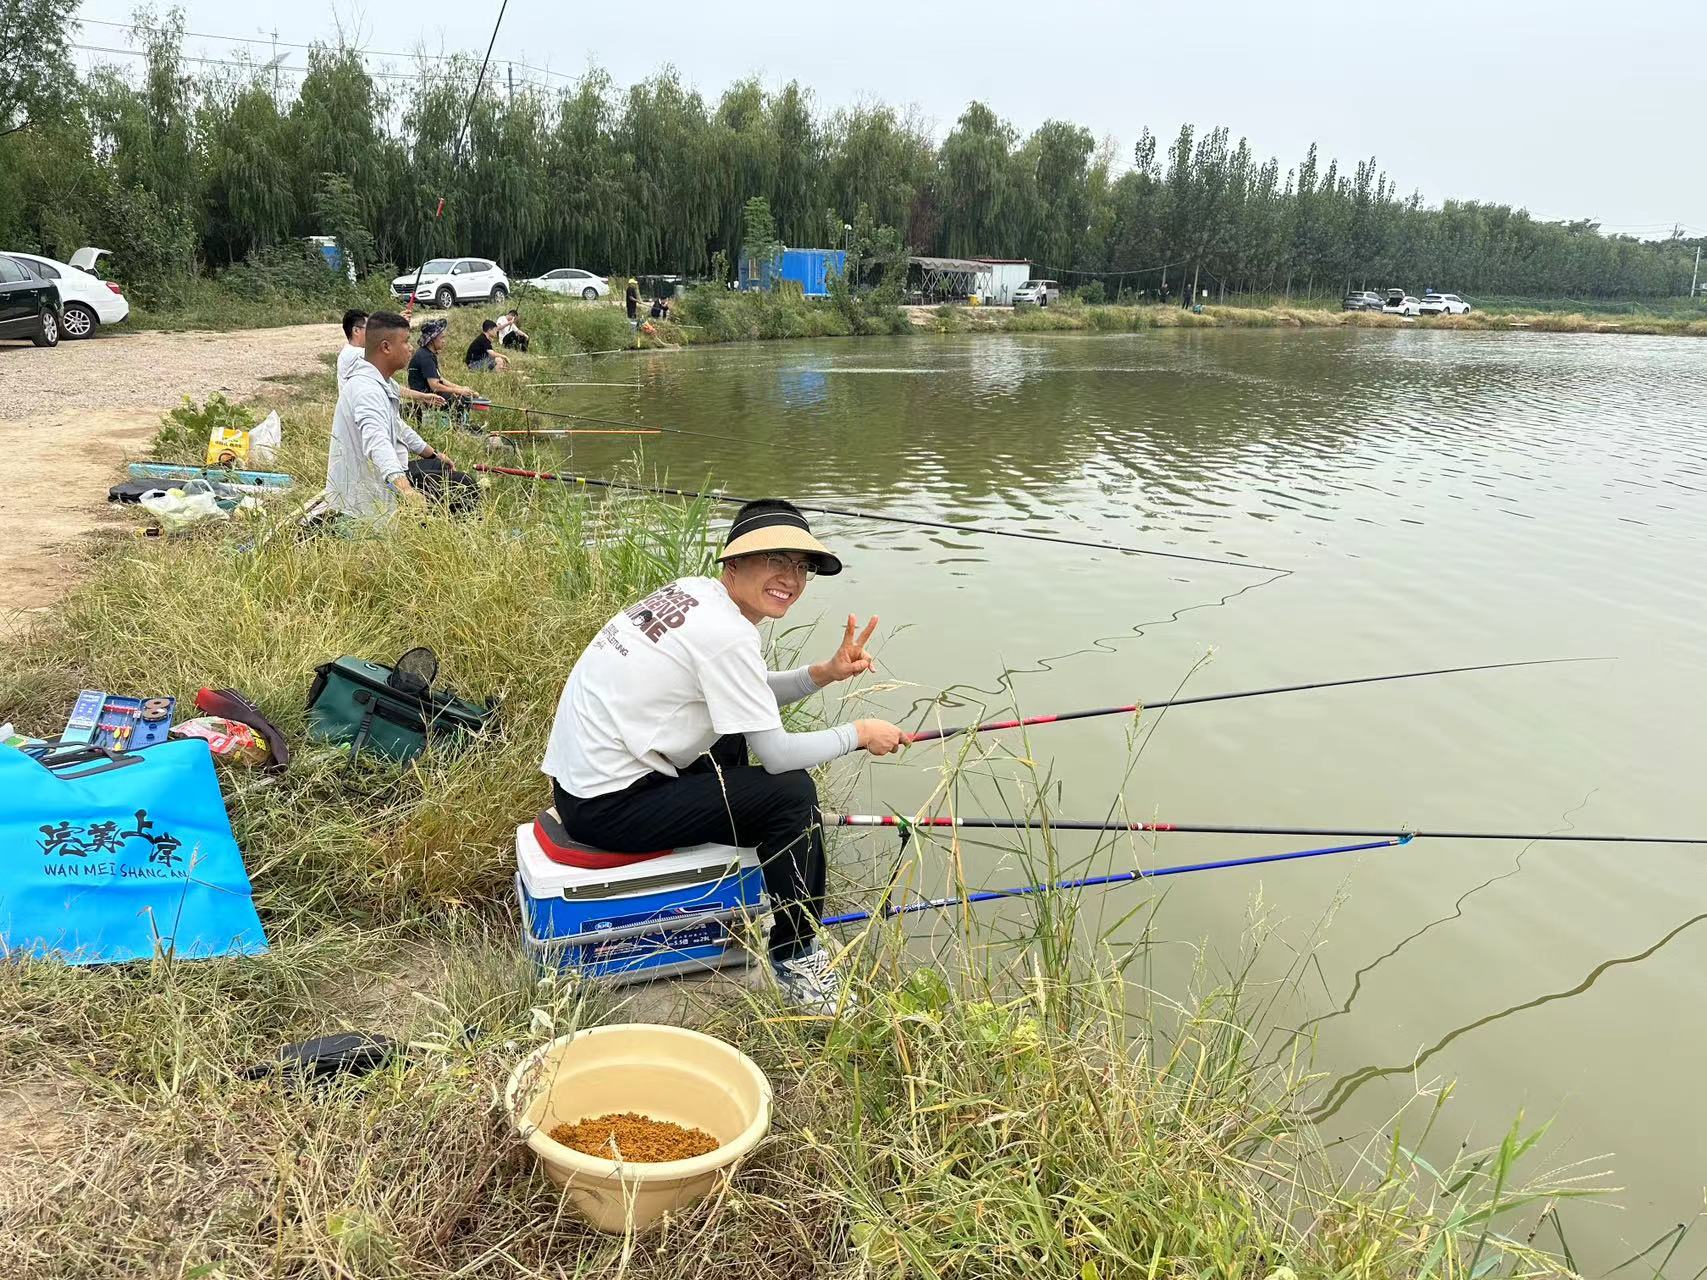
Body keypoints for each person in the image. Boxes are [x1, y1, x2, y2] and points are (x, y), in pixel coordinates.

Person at [541, 499, 906, 1013]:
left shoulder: (695, 595)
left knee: (737, 738)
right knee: (792, 793)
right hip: (607, 808)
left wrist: (822, 672)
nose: (791, 578)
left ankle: (744, 876)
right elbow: (777, 755)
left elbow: (747, 694)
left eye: (801, 567)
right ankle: (796, 955)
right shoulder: (727, 634)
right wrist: (860, 732)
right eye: (775, 559)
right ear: (734, 563)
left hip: (583, 784)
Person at [325, 310, 458, 521]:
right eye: (405, 341)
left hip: (385, 476)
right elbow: (377, 442)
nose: (411, 347)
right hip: (366, 495)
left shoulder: (381, 381)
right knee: (461, 487)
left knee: (442, 468)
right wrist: (406, 490)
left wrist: (432, 454)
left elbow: (398, 426)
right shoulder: (366, 390)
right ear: (386, 347)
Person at [341, 309, 447, 409]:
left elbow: (394, 387)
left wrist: (423, 397)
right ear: (356, 330)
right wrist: (393, 330)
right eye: (369, 328)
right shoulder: (351, 355)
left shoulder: (371, 371)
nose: (373, 332)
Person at [408, 319, 477, 415]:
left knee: (461, 396)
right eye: (442, 338)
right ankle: (457, 427)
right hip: (425, 398)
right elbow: (434, 385)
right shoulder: (425, 357)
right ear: (432, 339)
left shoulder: (429, 354)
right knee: (457, 400)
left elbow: (439, 378)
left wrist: (460, 388)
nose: (444, 341)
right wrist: (458, 391)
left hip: (430, 394)